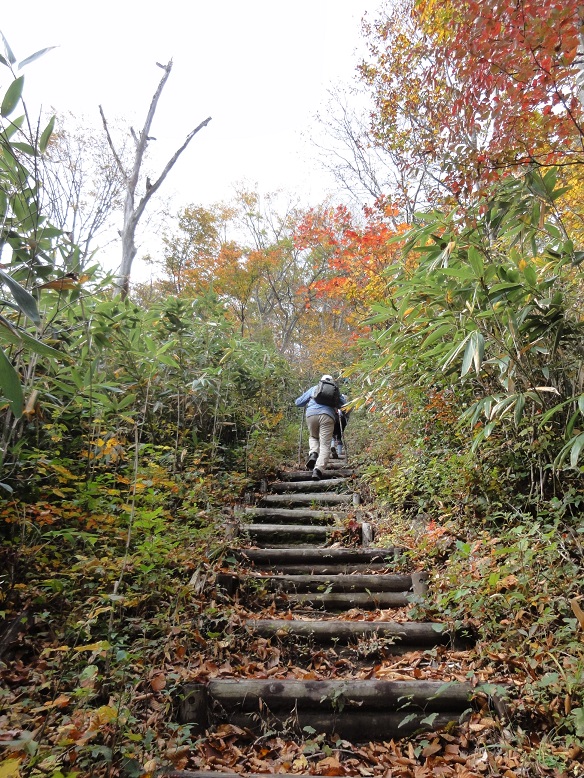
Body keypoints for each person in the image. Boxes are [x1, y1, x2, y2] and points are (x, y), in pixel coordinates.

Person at [295, 375, 347, 480]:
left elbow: (298, 402)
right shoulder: (335, 391)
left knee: (313, 437)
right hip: (328, 416)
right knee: (325, 445)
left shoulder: (314, 388)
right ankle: (318, 470)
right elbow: (346, 405)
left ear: (321, 381)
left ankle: (313, 453)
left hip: (311, 415)